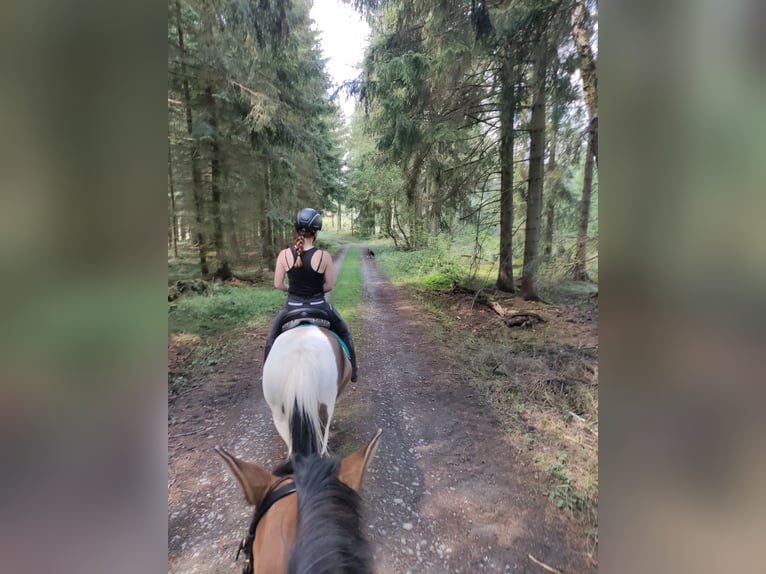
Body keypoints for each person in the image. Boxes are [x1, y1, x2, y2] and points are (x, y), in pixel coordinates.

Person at [263, 207, 358, 382]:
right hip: (319, 307)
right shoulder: (324, 256)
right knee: (344, 333)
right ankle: (353, 373)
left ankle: (266, 376)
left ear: (297, 229)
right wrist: (314, 291)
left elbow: (278, 284)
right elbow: (329, 286)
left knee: (271, 340)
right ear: (316, 231)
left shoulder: (283, 255)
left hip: (291, 308)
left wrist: (292, 289)